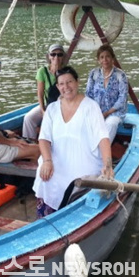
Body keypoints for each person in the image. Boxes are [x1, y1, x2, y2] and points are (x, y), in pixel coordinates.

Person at [33, 66, 114, 217]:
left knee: (79, 181)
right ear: (57, 87)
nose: (66, 87)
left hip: (83, 162)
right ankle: (48, 219)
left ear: (77, 82)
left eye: (69, 82)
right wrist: (47, 160)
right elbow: (43, 138)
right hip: (56, 160)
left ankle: (73, 216)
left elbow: (103, 137)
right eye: (62, 84)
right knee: (45, 175)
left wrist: (107, 165)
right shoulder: (52, 109)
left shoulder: (91, 107)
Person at [22, 44, 67, 140]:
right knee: (28, 118)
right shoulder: (42, 71)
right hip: (48, 104)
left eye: (59, 55)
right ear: (49, 57)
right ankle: (29, 141)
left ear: (63, 57)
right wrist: (43, 110)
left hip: (63, 105)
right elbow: (40, 93)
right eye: (53, 54)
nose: (56, 57)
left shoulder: (67, 72)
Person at [85, 44, 128, 144]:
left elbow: (122, 98)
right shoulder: (94, 73)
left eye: (108, 56)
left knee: (111, 123)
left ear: (113, 58)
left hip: (114, 112)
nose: (105, 60)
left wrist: (107, 113)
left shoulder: (120, 75)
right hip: (97, 111)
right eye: (102, 57)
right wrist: (96, 112)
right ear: (98, 60)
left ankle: (102, 153)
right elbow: (88, 94)